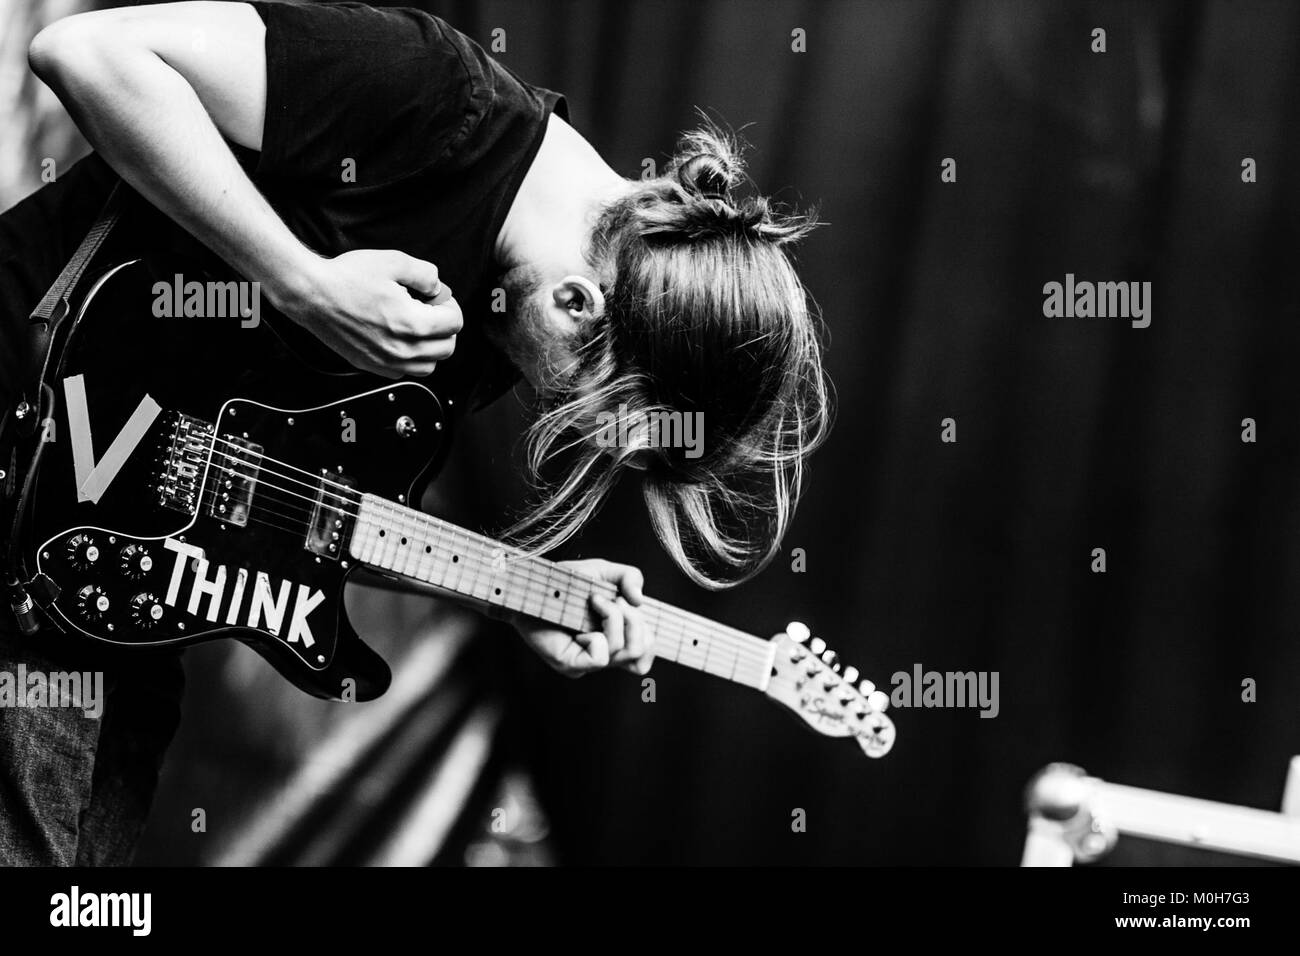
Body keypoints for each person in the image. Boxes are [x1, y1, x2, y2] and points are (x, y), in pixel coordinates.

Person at [0, 0, 829, 864]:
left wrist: (508, 596)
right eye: (580, 403)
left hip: (106, 590)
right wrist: (301, 283)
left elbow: (286, 501)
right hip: (21, 429)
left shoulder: (507, 319)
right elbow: (88, 52)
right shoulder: (429, 96)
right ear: (577, 308)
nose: (557, 414)